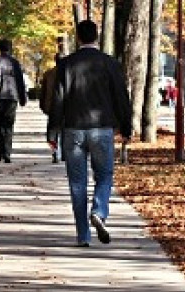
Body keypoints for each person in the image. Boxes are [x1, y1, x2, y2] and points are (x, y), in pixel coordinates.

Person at [47, 20, 132, 247]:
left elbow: (58, 101)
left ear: (78, 38)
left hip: (72, 130)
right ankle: (99, 210)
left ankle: (83, 235)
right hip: (102, 129)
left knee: (77, 183)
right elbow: (121, 98)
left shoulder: (66, 65)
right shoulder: (110, 64)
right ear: (97, 36)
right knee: (104, 175)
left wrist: (52, 134)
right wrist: (126, 127)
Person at [0, 38, 27, 163]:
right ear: (10, 48)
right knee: (9, 125)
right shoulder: (15, 63)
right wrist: (23, 98)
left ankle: (0, 152)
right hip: (11, 97)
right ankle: (7, 152)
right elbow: (20, 81)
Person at [38, 53, 63, 164]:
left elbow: (43, 92)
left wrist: (43, 105)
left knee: (52, 129)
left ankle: (54, 149)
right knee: (65, 129)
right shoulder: (69, 73)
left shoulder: (48, 74)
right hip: (65, 106)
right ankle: (63, 152)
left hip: (52, 106)